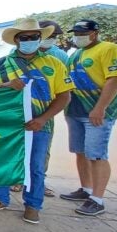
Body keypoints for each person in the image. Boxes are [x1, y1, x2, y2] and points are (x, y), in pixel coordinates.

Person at [0, 18, 73, 224]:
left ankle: (33, 205)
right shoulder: (2, 64)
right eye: (25, 37)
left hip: (40, 125)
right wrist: (5, 85)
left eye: (34, 37)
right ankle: (0, 198)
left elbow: (64, 96)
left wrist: (42, 119)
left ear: (41, 38)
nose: (30, 40)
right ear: (16, 40)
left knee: (36, 167)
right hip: (7, 125)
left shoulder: (54, 64)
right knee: (3, 162)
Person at [59, 19, 117, 217]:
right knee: (81, 152)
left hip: (96, 112)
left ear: (94, 33)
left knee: (96, 154)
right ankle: (86, 189)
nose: (79, 36)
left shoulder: (110, 49)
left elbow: (115, 79)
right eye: (76, 33)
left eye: (83, 33)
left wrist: (100, 108)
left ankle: (97, 199)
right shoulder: (77, 54)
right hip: (75, 110)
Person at [35, 20, 69, 198]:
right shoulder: (11, 59)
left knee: (42, 150)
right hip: (16, 114)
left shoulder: (60, 58)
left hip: (44, 114)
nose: (50, 39)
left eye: (54, 36)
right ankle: (17, 180)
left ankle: (39, 183)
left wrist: (45, 116)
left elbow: (64, 92)